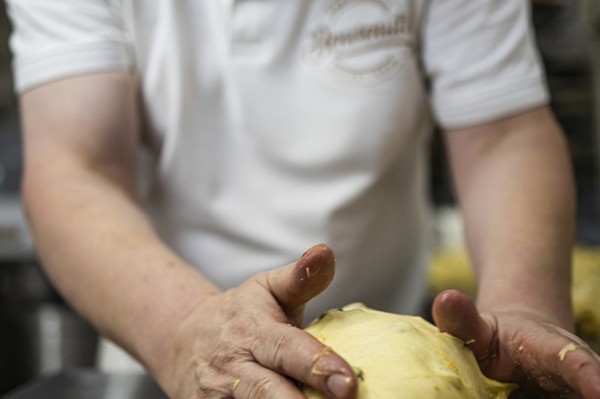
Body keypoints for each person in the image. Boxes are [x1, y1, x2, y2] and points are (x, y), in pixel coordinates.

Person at [5, 1, 600, 398]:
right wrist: (184, 328)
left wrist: (527, 303)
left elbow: (502, 136)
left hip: (404, 356)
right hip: (164, 354)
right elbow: (75, 165)